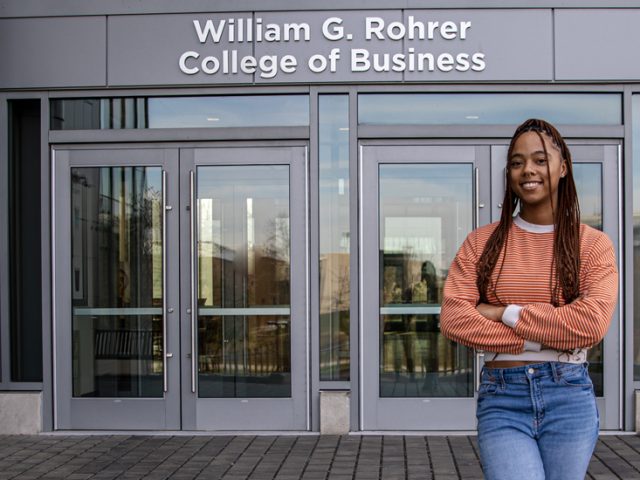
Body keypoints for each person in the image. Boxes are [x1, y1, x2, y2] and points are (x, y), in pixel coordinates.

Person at [440, 118, 618, 480]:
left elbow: (590, 324)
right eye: (517, 162)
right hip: (503, 396)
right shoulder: (482, 242)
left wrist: (502, 312)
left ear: (563, 167)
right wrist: (546, 332)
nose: (528, 170)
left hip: (569, 394)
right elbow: (455, 319)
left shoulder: (592, 244)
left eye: (540, 159)